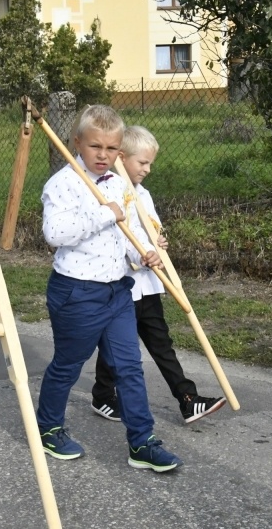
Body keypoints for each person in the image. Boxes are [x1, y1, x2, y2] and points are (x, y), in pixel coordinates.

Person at [37, 104, 183, 473]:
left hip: (118, 290)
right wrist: (106, 213)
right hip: (77, 292)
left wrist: (144, 252)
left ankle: (142, 441)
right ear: (77, 143)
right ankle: (49, 428)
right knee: (68, 365)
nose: (103, 155)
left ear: (120, 149)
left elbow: (127, 232)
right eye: (95, 146)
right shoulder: (63, 183)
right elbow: (55, 234)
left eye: (112, 148)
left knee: (130, 367)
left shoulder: (119, 184)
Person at [90, 126, 226, 424]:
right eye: (142, 162)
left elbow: (153, 227)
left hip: (149, 283)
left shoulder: (144, 195)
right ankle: (103, 395)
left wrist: (158, 241)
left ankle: (187, 399)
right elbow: (117, 237)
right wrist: (140, 254)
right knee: (115, 346)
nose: (148, 169)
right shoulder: (109, 192)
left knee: (161, 343)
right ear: (121, 157)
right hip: (122, 284)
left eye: (150, 163)